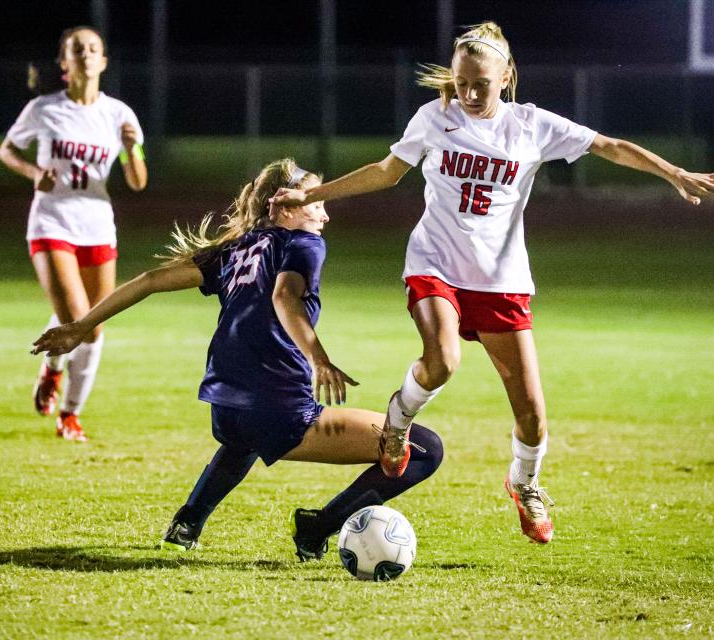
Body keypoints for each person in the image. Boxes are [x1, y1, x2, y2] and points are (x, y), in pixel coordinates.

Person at [270, 22, 714, 544]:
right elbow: (385, 171)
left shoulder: (531, 126)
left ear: (507, 76)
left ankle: (525, 483)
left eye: (481, 84)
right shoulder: (434, 118)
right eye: (462, 82)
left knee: (533, 415)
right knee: (443, 359)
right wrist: (311, 197)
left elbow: (608, 145)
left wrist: (672, 172)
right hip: (436, 264)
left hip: (500, 280)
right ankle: (396, 423)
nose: (469, 94)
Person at [31, 159, 443, 559]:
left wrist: (80, 326)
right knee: (424, 449)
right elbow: (284, 296)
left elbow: (150, 280)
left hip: (225, 408)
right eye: (317, 203)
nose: (325, 216)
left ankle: (185, 525)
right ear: (286, 208)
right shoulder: (303, 243)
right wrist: (318, 358)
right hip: (277, 411)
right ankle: (317, 527)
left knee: (244, 439)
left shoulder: (235, 249)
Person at [0, 26, 148, 442]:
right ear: (64, 64)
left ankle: (67, 404)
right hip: (52, 222)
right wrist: (33, 173)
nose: (85, 54)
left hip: (98, 225)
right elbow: (6, 149)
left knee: (93, 326)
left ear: (103, 62)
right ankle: (61, 392)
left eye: (93, 48)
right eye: (76, 49)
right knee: (74, 318)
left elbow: (137, 181)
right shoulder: (43, 109)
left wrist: (132, 148)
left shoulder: (120, 114)